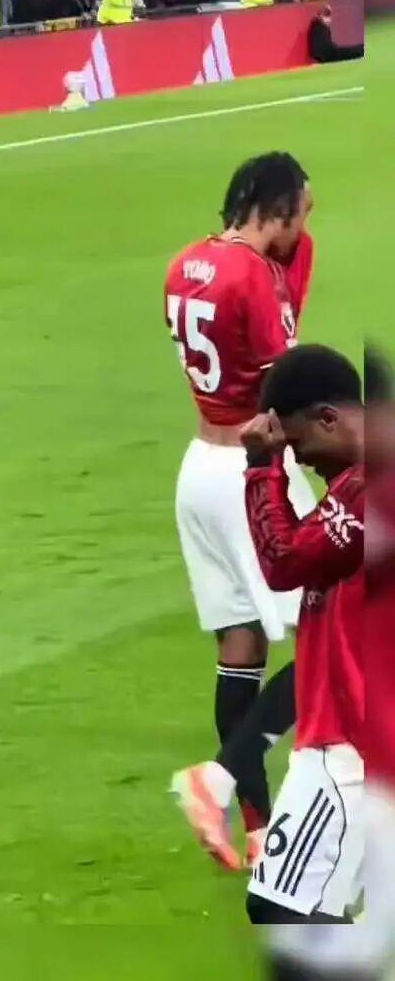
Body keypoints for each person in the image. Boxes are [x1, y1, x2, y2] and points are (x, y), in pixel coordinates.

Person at [166, 154, 317, 869]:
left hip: (198, 466)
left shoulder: (184, 264)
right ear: (278, 209)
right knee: (333, 637)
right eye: (302, 215)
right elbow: (289, 385)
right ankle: (219, 777)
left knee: (241, 646)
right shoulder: (254, 276)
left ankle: (257, 830)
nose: (305, 230)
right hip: (250, 472)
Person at [241, 345, 363, 924]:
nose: (297, 459)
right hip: (343, 732)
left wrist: (260, 470)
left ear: (329, 418)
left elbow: (284, 560)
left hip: (353, 742)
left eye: (297, 443)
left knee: (283, 907)